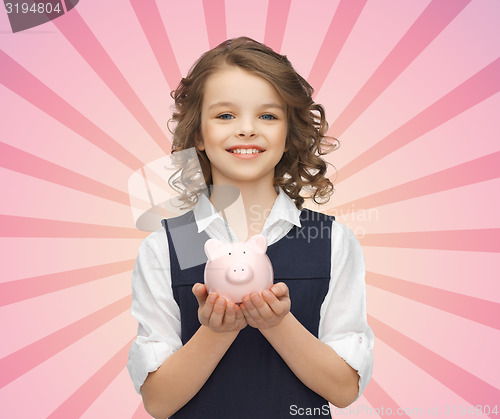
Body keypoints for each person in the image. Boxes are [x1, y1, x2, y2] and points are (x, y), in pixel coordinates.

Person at [127, 37, 374, 418]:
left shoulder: (331, 242)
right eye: (225, 115)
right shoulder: (169, 246)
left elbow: (343, 390)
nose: (246, 130)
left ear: (289, 132)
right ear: (197, 134)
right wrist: (217, 331)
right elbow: (158, 402)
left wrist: (276, 324)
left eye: (268, 116)